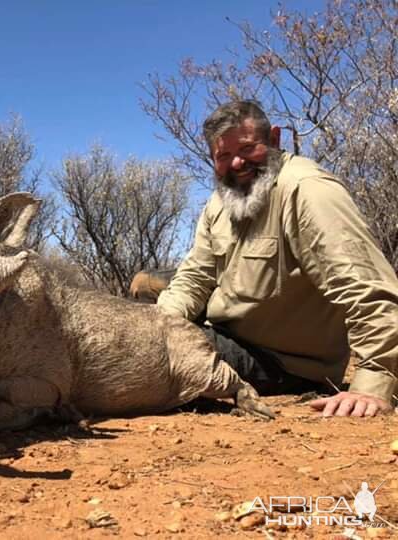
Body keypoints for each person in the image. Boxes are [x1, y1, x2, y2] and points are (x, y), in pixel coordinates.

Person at [156, 100, 398, 417]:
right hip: (228, 334)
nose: (237, 163)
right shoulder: (222, 199)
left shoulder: (306, 189)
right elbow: (195, 278)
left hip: (284, 363)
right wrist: (154, 326)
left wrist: (374, 384)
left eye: (247, 148)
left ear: (274, 139)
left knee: (156, 357)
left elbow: (366, 285)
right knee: (144, 317)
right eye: (224, 156)